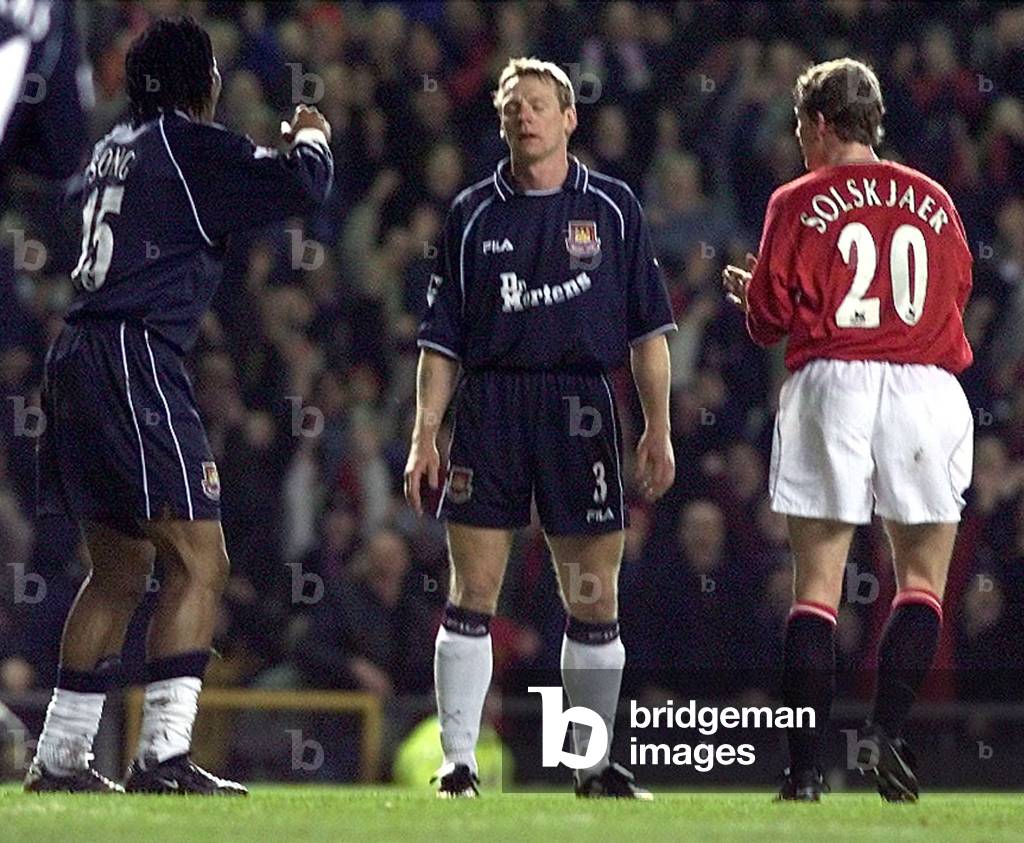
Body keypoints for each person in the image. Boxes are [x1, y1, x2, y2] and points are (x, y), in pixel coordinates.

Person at [26, 16, 333, 794]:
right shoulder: (187, 144)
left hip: (76, 356)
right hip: (134, 355)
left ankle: (60, 757)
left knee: (120, 568)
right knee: (201, 559)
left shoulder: (105, 151)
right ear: (205, 84)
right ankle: (161, 755)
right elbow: (303, 184)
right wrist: (313, 135)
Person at [404, 57, 676, 799]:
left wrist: (659, 426)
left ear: (568, 118)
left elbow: (648, 332)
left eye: (536, 103)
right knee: (474, 588)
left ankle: (589, 765)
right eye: (510, 106)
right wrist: (426, 432)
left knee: (593, 595)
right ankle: (456, 763)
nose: (523, 115)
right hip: (491, 405)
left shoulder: (614, 209)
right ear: (500, 123)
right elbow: (442, 342)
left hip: (582, 404)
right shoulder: (471, 214)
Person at [723, 58, 973, 802]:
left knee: (817, 589)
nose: (798, 141)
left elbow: (769, 319)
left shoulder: (796, 199)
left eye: (801, 126)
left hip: (834, 380)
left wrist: (754, 292)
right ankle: (888, 737)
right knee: (922, 581)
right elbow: (955, 288)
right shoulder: (933, 196)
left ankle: (803, 775)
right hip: (925, 387)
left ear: (823, 123)